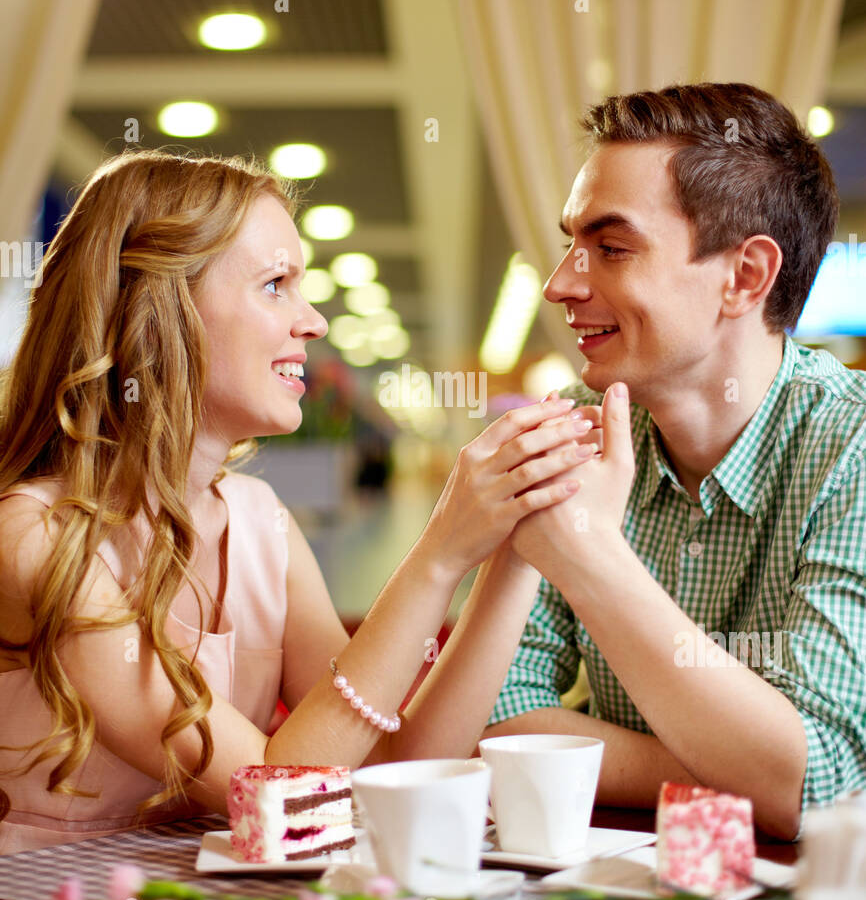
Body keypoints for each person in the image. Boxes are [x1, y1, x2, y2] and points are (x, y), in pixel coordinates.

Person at [0, 149, 598, 854]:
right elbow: (282, 809)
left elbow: (391, 778)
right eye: (275, 284)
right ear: (159, 311)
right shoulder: (33, 534)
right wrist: (439, 552)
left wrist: (515, 550)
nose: (313, 321)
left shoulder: (262, 525)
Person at [483, 82, 866, 842]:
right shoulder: (575, 428)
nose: (561, 283)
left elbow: (812, 783)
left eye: (611, 248)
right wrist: (739, 771)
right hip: (620, 895)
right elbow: (495, 717)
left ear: (745, 276)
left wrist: (592, 560)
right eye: (570, 243)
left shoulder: (850, 446)